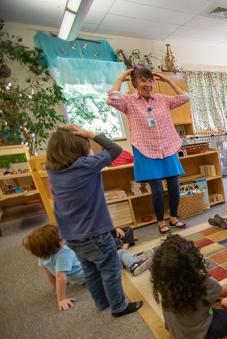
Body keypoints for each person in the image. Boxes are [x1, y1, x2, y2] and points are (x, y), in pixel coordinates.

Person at [45, 125, 143, 317]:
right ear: (78, 149)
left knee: (90, 269)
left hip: (71, 236)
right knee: (110, 269)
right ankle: (119, 306)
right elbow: (116, 150)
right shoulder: (85, 165)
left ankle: (101, 302)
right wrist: (91, 134)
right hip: (95, 233)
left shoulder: (53, 171)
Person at [107, 64, 190, 235]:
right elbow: (112, 99)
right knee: (157, 191)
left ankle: (173, 217)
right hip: (146, 150)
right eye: (143, 81)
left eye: (150, 81)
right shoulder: (128, 101)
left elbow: (185, 97)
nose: (148, 84)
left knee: (174, 186)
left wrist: (167, 80)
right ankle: (161, 221)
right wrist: (120, 78)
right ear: (135, 83)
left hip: (167, 147)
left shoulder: (162, 99)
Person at [150, 235, 227, 339]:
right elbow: (223, 292)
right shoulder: (199, 280)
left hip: (175, 330)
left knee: (210, 294)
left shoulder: (165, 279)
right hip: (199, 332)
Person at [23, 224, 86, 311]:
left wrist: (56, 287)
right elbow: (60, 277)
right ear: (60, 242)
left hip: (81, 276)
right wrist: (61, 299)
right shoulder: (64, 253)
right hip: (87, 276)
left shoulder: (42, 255)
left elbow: (48, 271)